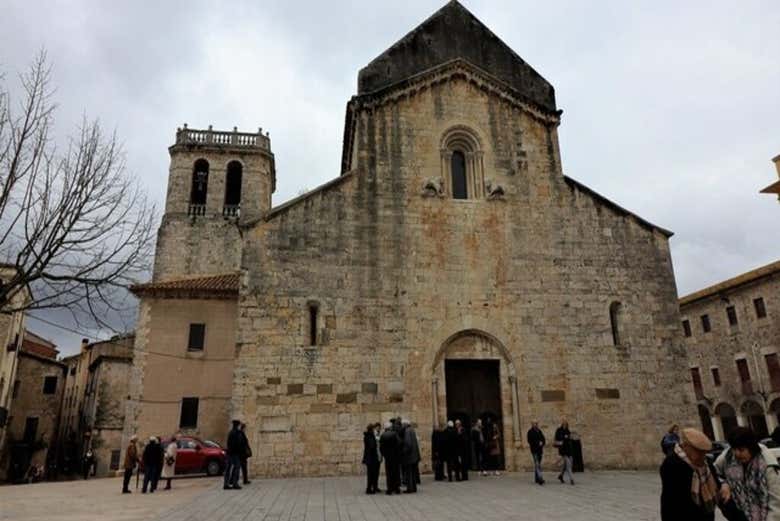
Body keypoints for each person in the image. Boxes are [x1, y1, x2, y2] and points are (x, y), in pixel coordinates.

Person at [714, 426, 780, 521]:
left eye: (741, 450)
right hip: (740, 512)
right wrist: (724, 483)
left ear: (752, 448)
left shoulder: (767, 464)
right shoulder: (727, 456)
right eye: (734, 449)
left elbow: (776, 503)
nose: (737, 454)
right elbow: (714, 472)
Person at [660, 427, 721, 521]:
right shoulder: (671, 464)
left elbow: (717, 485)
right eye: (698, 452)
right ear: (685, 446)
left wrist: (724, 485)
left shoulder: (706, 463)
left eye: (704, 452)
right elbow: (672, 501)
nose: (702, 456)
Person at [379, 422, 401, 494]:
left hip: (388, 457)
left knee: (389, 473)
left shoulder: (383, 436)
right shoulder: (395, 434)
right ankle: (396, 488)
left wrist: (384, 454)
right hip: (395, 456)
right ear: (390, 427)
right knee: (396, 472)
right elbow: (399, 443)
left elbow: (381, 447)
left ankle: (389, 489)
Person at [401, 419, 421, 493]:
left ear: (405, 424)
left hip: (410, 456)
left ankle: (410, 488)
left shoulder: (407, 431)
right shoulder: (412, 430)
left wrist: (404, 451)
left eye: (403, 424)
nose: (402, 426)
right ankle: (414, 487)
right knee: (413, 473)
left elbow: (408, 444)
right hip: (414, 456)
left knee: (409, 473)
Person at [554, 418, 574, 485]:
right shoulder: (559, 430)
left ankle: (561, 476)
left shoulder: (568, 431)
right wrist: (564, 437)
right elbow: (557, 438)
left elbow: (569, 439)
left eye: (566, 423)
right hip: (563, 450)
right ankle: (571, 479)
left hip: (568, 450)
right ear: (562, 424)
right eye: (564, 423)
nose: (565, 424)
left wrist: (569, 437)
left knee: (565, 465)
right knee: (569, 464)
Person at [224, 419, 243, 490]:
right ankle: (235, 483)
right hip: (234, 453)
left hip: (229, 452)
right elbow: (238, 444)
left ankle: (226, 484)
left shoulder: (230, 432)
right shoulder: (237, 433)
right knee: (237, 468)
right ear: (237, 425)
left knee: (228, 469)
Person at [362, 423, 381, 494]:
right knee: (371, 474)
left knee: (372, 474)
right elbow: (372, 446)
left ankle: (372, 488)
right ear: (372, 429)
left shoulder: (368, 435)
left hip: (370, 458)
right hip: (371, 458)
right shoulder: (370, 436)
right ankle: (369, 489)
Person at [527, 420, 546, 485]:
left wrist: (542, 443)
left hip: (540, 450)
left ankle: (536, 478)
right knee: (537, 464)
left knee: (537, 464)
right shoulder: (530, 432)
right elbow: (529, 441)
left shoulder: (539, 431)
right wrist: (538, 443)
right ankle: (540, 478)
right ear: (532, 424)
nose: (535, 425)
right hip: (534, 450)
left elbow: (543, 438)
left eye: (536, 424)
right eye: (534, 424)